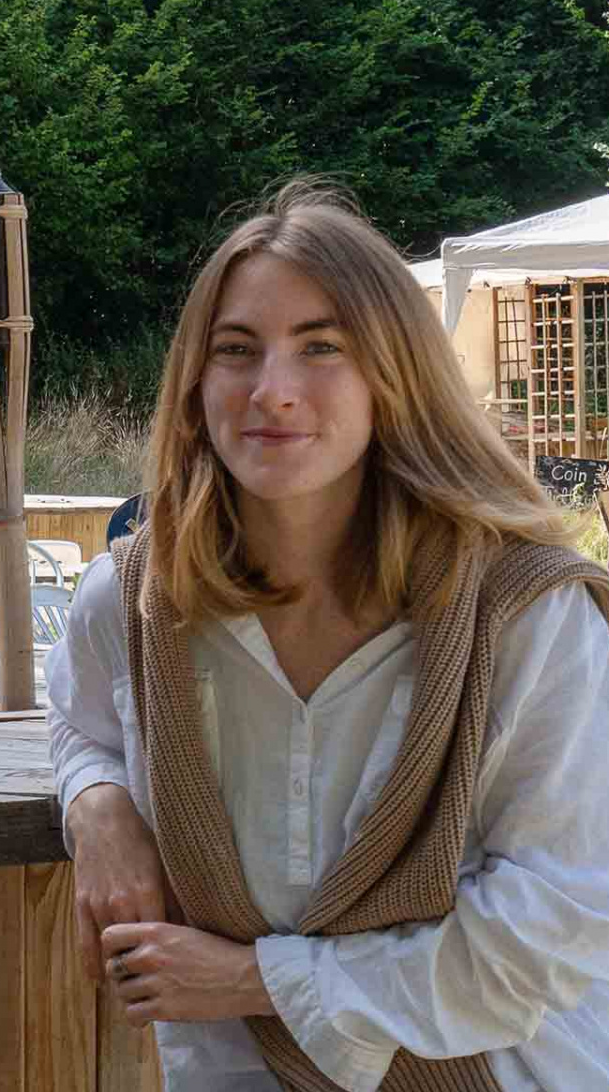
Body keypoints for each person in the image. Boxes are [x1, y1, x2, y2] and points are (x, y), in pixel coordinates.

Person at [47, 181, 609, 1091]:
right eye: (237, 350)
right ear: (195, 385)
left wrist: (253, 980)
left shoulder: (525, 614)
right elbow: (81, 722)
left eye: (322, 347)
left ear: (395, 374)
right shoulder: (132, 601)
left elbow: (554, 926)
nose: (273, 390)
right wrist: (98, 807)